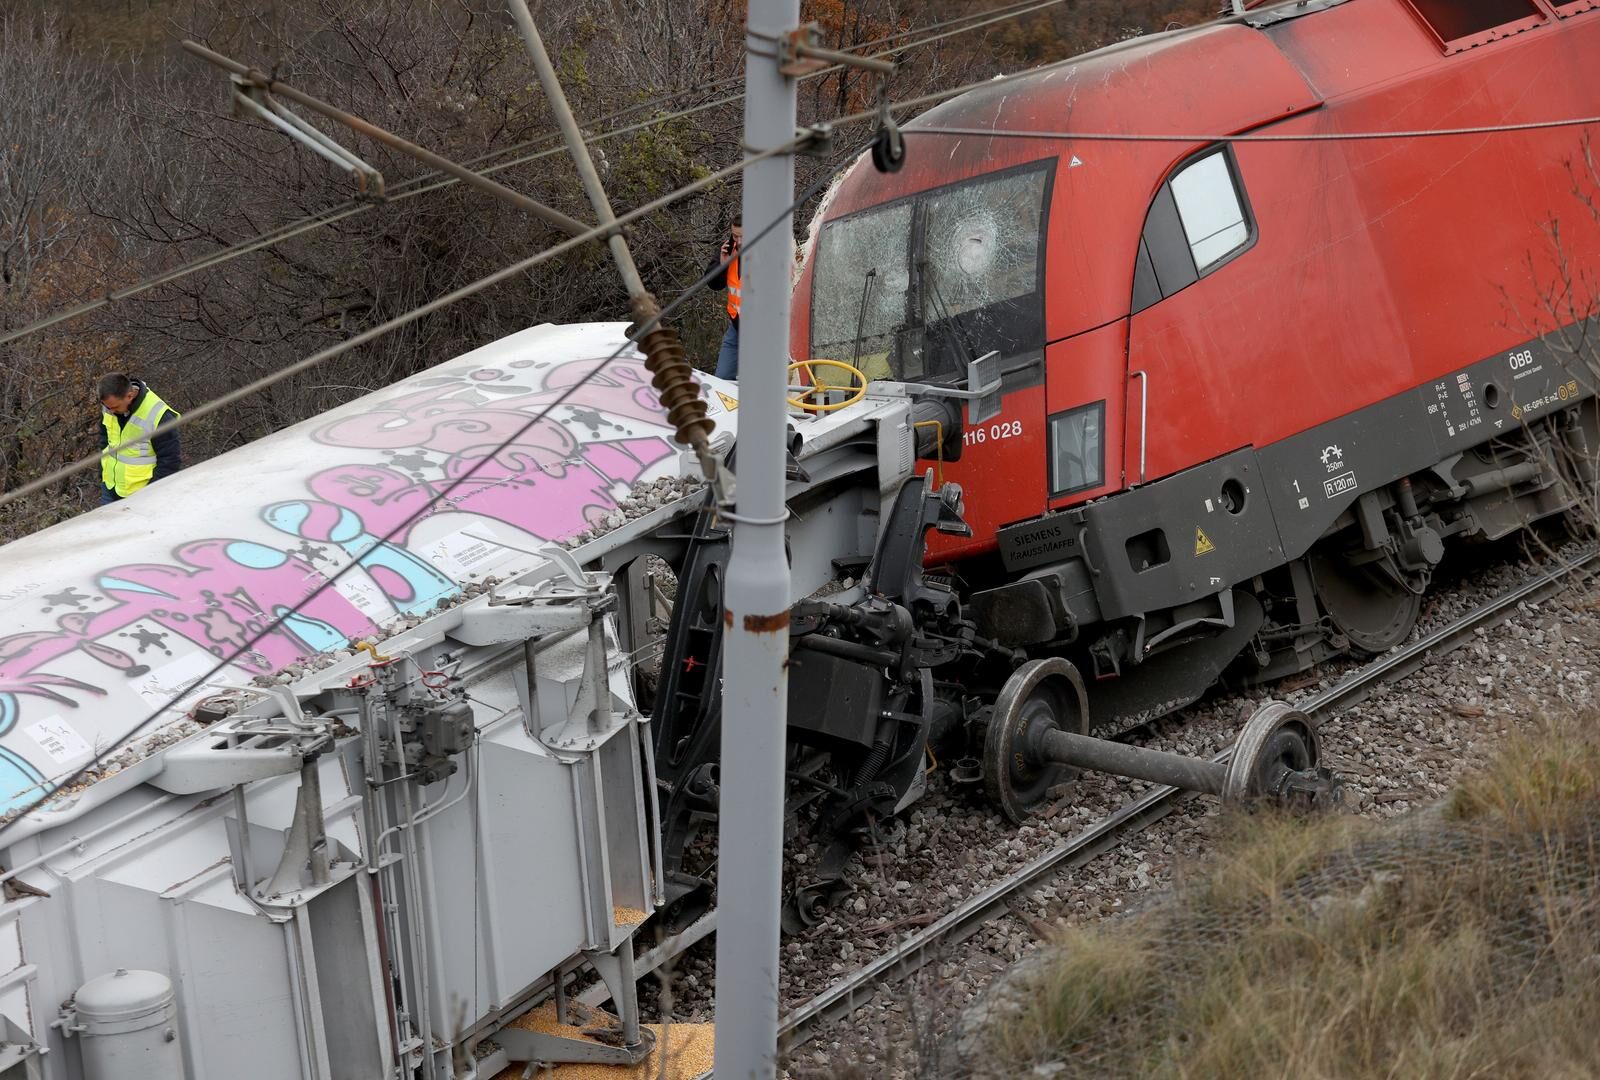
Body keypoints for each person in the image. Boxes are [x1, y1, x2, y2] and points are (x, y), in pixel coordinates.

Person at [97, 373, 181, 504]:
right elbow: (105, 439)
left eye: (115, 407)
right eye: (108, 407)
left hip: (142, 495)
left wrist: (151, 493)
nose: (110, 411)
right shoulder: (110, 405)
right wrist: (102, 472)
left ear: (129, 396)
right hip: (110, 488)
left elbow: (170, 462)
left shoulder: (159, 415)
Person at [707, 217, 742, 379]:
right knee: (721, 380)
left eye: (743, 236)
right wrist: (723, 267)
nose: (739, 241)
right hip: (736, 326)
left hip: (763, 330)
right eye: (735, 236)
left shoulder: (766, 251)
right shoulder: (727, 249)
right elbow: (713, 284)